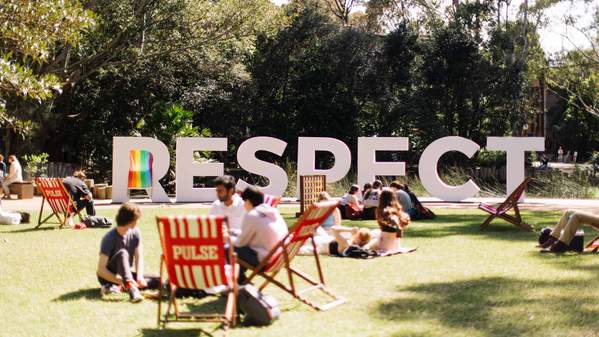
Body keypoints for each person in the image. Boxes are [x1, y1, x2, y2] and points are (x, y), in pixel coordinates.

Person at [97, 202, 155, 302]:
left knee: (157, 280)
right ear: (131, 220)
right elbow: (101, 271)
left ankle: (116, 288)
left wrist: (140, 277)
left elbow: (138, 257)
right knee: (122, 253)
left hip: (125, 274)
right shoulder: (109, 238)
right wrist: (122, 281)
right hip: (110, 276)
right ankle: (130, 289)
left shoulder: (135, 232)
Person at [230, 186, 288, 284]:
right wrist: (234, 232)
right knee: (234, 241)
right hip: (280, 257)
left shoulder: (252, 215)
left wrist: (227, 238)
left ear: (247, 201)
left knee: (228, 247)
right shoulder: (273, 212)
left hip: (265, 261)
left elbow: (240, 243)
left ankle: (241, 282)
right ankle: (240, 280)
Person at [365, 189, 410, 254]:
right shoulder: (396, 209)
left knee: (368, 237)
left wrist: (398, 227)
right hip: (395, 244)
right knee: (375, 232)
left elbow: (392, 219)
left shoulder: (385, 210)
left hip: (385, 244)